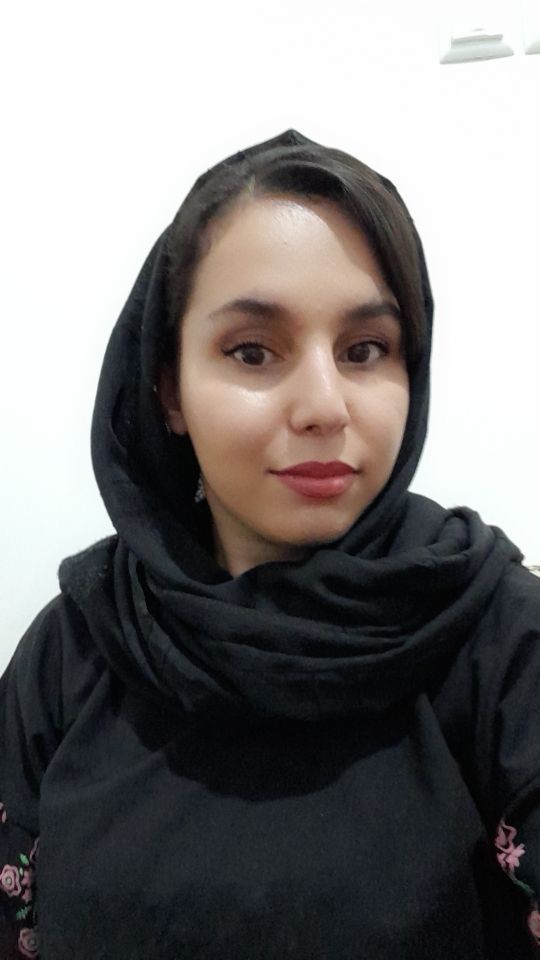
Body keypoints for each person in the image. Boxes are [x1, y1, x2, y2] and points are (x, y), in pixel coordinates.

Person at [1, 128, 539, 960]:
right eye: (253, 352)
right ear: (168, 388)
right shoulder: (79, 646)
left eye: (365, 350)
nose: (323, 405)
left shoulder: (499, 637)